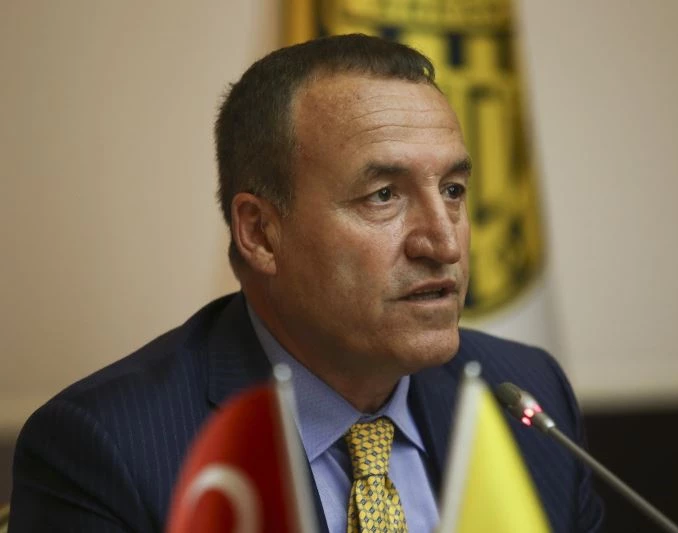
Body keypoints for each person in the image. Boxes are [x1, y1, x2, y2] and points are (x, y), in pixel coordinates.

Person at [10, 34, 603, 532]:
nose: (444, 244)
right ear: (260, 233)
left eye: (453, 190)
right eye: (383, 196)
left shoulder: (526, 397)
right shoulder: (110, 449)